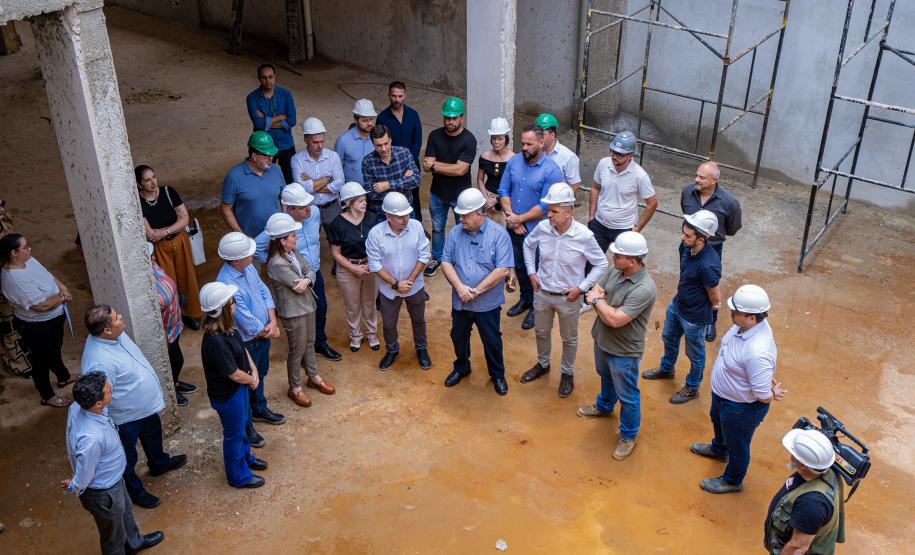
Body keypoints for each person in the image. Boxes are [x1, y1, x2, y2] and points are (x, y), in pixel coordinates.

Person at [82, 305, 187, 509]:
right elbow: (99, 402)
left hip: (143, 408)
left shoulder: (113, 335)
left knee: (153, 435)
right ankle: (135, 491)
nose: (121, 317)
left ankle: (159, 463)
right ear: (106, 330)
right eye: (117, 317)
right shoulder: (99, 362)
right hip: (125, 417)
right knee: (126, 457)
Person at [690, 284, 786, 493]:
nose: (731, 313)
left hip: (740, 408)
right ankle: (718, 449)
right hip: (724, 396)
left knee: (738, 444)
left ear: (752, 318)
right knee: (719, 423)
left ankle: (732, 480)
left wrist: (771, 393)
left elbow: (762, 396)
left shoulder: (757, 351)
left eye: (736, 312)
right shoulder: (745, 326)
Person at [521, 183, 608, 398]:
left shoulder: (584, 236)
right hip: (542, 293)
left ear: (568, 212)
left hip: (568, 298)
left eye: (554, 211)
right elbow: (527, 245)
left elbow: (601, 263)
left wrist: (581, 289)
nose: (548, 215)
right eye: (548, 210)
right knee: (541, 331)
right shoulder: (542, 228)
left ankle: (567, 373)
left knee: (569, 338)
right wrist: (531, 272)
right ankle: (543, 364)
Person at [63, 373, 164, 554]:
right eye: (108, 391)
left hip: (114, 480)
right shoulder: (91, 439)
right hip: (104, 491)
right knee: (113, 537)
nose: (112, 390)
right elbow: (85, 472)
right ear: (98, 404)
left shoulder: (79, 407)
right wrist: (74, 486)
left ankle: (134, 543)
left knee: (125, 512)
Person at [578, 231, 657, 461]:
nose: (613, 257)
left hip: (624, 351)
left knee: (628, 394)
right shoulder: (616, 270)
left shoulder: (644, 288)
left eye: (618, 255)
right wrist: (600, 302)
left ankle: (628, 435)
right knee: (605, 376)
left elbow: (614, 319)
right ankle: (604, 406)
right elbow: (596, 291)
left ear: (633, 261)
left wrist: (597, 301)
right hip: (603, 340)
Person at [254, 183, 343, 362]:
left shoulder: (315, 213)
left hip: (314, 273)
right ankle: (301, 352)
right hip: (292, 279)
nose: (308, 208)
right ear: (289, 209)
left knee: (321, 308)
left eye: (309, 203)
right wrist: (275, 263)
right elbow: (256, 248)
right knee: (298, 317)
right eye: (303, 207)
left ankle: (319, 343)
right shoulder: (280, 225)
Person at [642, 210, 722, 404]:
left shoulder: (709, 265)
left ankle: (692, 387)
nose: (682, 237)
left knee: (695, 354)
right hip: (678, 306)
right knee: (668, 337)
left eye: (688, 235)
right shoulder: (686, 247)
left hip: (695, 318)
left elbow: (715, 296)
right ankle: (667, 369)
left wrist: (709, 313)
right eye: (683, 233)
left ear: (701, 239)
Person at [440, 188, 513, 395]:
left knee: (491, 340)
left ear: (480, 213)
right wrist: (460, 288)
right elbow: (446, 262)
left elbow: (501, 270)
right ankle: (461, 367)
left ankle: (497, 375)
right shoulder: (455, 233)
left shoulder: (499, 235)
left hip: (487, 303)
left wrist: (475, 291)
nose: (461, 218)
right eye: (460, 214)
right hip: (460, 301)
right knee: (458, 336)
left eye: (465, 214)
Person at [215, 232, 284, 449]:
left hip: (263, 334)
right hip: (247, 341)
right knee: (246, 383)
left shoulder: (248, 267)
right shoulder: (225, 283)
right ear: (235, 259)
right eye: (248, 253)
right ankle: (248, 426)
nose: (253, 255)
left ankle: (259, 408)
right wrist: (267, 331)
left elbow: (264, 291)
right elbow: (243, 318)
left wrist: (272, 320)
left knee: (260, 373)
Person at [198, 282, 269, 489]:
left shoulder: (227, 327)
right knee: (234, 435)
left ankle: (246, 458)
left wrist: (253, 369)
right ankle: (239, 477)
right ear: (223, 309)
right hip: (229, 395)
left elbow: (242, 349)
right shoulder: (216, 342)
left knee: (242, 426)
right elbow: (234, 374)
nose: (235, 303)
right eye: (232, 301)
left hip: (238, 390)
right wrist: (252, 379)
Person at [264, 212, 335, 408]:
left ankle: (313, 376)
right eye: (293, 235)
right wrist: (306, 278)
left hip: (307, 305)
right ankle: (294, 387)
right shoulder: (277, 263)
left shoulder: (292, 253)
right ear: (282, 240)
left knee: (310, 343)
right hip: (293, 311)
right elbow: (299, 285)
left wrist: (307, 278)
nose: (296, 237)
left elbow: (310, 269)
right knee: (297, 350)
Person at [498, 124, 564, 330]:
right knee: (518, 266)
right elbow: (503, 190)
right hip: (514, 226)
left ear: (541, 143)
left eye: (529, 144)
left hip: (538, 232)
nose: (524, 147)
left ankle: (537, 308)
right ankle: (525, 299)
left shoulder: (552, 170)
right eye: (523, 143)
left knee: (536, 270)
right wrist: (511, 217)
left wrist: (521, 219)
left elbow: (546, 205)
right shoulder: (514, 162)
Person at [0, 233, 75, 407]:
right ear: (13, 253)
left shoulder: (27, 260)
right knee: (40, 361)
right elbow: (41, 306)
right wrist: (62, 297)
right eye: (25, 247)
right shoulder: (14, 278)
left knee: (54, 350)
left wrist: (62, 287)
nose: (30, 249)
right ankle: (47, 395)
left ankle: (63, 377)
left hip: (53, 319)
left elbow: (48, 275)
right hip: (37, 326)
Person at [365, 192, 431, 371]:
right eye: (401, 216)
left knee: (418, 320)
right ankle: (392, 350)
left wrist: (408, 281)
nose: (406, 219)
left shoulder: (416, 227)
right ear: (388, 216)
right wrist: (395, 284)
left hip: (415, 286)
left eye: (407, 214)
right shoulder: (375, 234)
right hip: (388, 290)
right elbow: (374, 265)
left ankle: (421, 348)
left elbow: (424, 255)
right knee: (388, 323)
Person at [680, 161, 742, 342]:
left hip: (712, 249)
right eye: (696, 175)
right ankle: (682, 312)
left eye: (701, 177)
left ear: (714, 180)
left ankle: (709, 321)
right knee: (687, 279)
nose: (695, 179)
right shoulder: (687, 192)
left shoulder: (728, 202)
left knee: (709, 284)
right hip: (688, 244)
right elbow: (686, 214)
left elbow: (732, 228)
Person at [137, 164, 202, 330]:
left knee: (187, 278)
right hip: (160, 248)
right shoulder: (138, 202)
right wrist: (169, 229)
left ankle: (190, 314)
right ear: (139, 184)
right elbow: (150, 234)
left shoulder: (168, 192)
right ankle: (175, 319)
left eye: (154, 177)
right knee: (169, 284)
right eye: (147, 180)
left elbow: (184, 218)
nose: (153, 183)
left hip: (180, 241)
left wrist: (164, 231)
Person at [764, 429, 845, 554]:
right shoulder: (826, 468)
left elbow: (798, 548)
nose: (791, 455)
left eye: (793, 453)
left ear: (802, 465)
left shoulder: (811, 504)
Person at [422, 96, 477, 277]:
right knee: (438, 228)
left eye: (454, 118)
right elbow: (425, 165)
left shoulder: (469, 140)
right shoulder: (434, 136)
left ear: (462, 117)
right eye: (447, 117)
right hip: (437, 193)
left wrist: (437, 166)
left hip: (461, 196)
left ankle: (465, 259)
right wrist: (448, 167)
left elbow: (460, 170)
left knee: (466, 227)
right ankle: (437, 258)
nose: (450, 121)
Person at [328, 182, 381, 352]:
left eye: (365, 200)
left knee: (369, 303)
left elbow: (379, 245)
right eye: (360, 201)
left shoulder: (372, 218)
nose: (365, 203)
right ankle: (355, 336)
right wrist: (354, 268)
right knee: (353, 306)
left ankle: (372, 334)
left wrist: (369, 265)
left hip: (370, 266)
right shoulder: (337, 223)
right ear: (349, 203)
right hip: (347, 269)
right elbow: (336, 253)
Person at [588, 131, 658, 255]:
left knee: (623, 268)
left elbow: (652, 204)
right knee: (590, 262)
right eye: (613, 152)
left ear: (630, 155)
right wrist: (591, 216)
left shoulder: (640, 176)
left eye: (620, 154)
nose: (614, 156)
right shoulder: (603, 164)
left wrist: (636, 229)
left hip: (624, 229)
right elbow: (595, 188)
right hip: (599, 224)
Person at [149, 243, 196, 407]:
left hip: (175, 326)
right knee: (174, 361)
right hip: (165, 334)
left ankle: (175, 382)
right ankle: (170, 390)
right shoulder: (146, 288)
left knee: (176, 360)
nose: (154, 257)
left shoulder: (153, 267)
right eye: (149, 256)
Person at [476, 117, 516, 293]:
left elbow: (515, 186)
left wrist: (498, 200)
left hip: (506, 201)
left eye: (500, 138)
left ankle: (510, 274)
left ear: (506, 138)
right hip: (488, 201)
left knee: (507, 238)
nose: (496, 142)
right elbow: (480, 179)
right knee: (488, 238)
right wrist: (486, 198)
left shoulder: (514, 159)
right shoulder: (485, 156)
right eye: (494, 138)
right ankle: (492, 272)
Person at [222, 131, 285, 238]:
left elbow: (284, 198)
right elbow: (226, 209)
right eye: (266, 155)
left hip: (277, 236)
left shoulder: (276, 170)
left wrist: (285, 221)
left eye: (272, 154)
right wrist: (242, 236)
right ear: (254, 156)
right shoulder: (234, 177)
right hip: (251, 239)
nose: (270, 158)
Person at [376, 81, 424, 220]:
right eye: (394, 96)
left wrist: (407, 163)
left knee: (414, 196)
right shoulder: (383, 118)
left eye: (400, 96)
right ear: (389, 95)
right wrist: (397, 165)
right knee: (395, 197)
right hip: (392, 167)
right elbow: (382, 143)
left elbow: (418, 141)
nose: (397, 99)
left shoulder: (413, 115)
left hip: (411, 165)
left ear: (405, 95)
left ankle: (417, 224)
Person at [246, 63, 297, 182]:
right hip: (263, 146)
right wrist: (281, 117)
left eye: (270, 77)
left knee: (290, 179)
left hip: (286, 143)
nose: (268, 81)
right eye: (264, 77)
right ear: (259, 78)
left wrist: (266, 121)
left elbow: (292, 120)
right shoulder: (252, 98)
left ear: (275, 76)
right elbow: (259, 125)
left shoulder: (286, 94)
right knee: (261, 178)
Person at [292, 117, 345, 232]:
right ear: (306, 140)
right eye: (315, 142)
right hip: (309, 209)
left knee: (338, 242)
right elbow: (302, 188)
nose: (320, 146)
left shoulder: (333, 156)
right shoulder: (297, 160)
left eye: (322, 141)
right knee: (310, 243)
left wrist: (312, 182)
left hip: (332, 207)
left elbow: (340, 184)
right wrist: (327, 179)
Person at [0, 200, 33, 379]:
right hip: (3, 287)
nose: (2, 209)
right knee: (8, 327)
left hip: (12, 282)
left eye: (2, 204)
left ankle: (24, 354)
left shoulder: (4, 221)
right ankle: (16, 363)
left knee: (19, 320)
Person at [362, 124, 422, 219]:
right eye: (379, 145)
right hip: (382, 215)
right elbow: (371, 193)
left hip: (406, 211)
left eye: (386, 143)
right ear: (373, 144)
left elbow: (416, 180)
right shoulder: (367, 162)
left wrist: (387, 185)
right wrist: (403, 183)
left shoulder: (404, 153)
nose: (384, 148)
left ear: (391, 139)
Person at [536, 113, 582, 193]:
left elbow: (575, 184)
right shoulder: (535, 151)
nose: (538, 137)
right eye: (536, 134)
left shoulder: (568, 157)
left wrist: (563, 202)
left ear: (552, 135)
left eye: (542, 134)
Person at [335, 99, 377, 185]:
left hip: (375, 188)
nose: (370, 123)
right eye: (365, 120)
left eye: (371, 119)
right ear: (355, 120)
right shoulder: (343, 140)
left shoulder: (377, 137)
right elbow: (335, 168)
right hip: (351, 191)